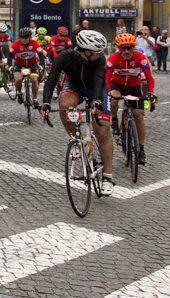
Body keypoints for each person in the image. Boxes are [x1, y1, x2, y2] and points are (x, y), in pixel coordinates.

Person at [41, 29, 115, 196]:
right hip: (75, 87)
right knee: (64, 103)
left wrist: (96, 100)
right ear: (87, 51)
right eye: (97, 51)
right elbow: (51, 80)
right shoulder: (64, 57)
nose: (101, 54)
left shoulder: (99, 60)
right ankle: (74, 138)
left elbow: (99, 80)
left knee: (102, 130)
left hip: (96, 89)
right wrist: (45, 103)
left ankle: (107, 177)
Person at [105, 31, 155, 165]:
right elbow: (107, 79)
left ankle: (141, 149)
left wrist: (150, 93)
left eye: (129, 48)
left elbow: (149, 78)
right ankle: (114, 119)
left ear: (134, 47)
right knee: (114, 99)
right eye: (123, 48)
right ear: (118, 48)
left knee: (139, 115)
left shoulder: (140, 57)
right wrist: (109, 92)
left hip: (134, 85)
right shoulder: (112, 59)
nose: (126, 51)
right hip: (118, 84)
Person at [10, 27, 44, 105]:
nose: (23, 39)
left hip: (32, 64)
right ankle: (19, 93)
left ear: (30, 37)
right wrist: (10, 66)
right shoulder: (16, 43)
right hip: (19, 64)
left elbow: (41, 55)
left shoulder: (35, 43)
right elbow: (10, 56)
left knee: (34, 80)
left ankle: (35, 99)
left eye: (26, 38)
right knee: (18, 80)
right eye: (22, 37)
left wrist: (41, 65)